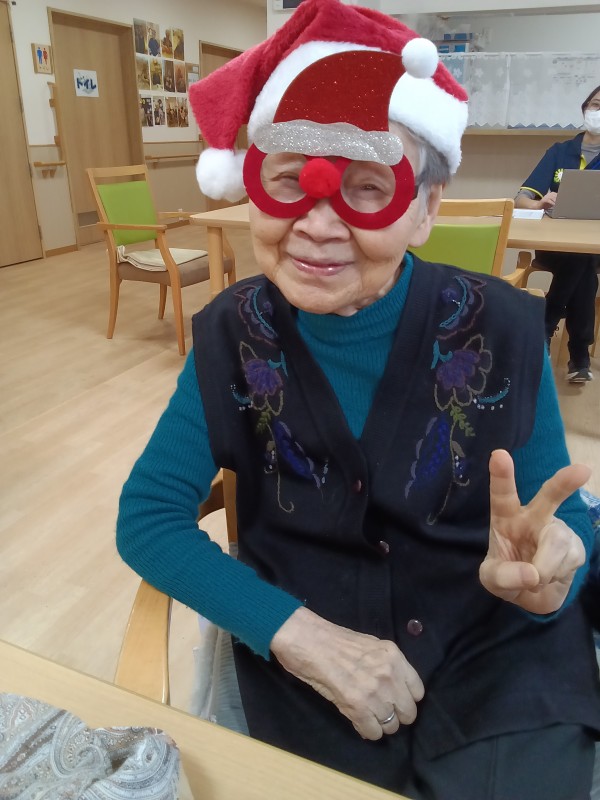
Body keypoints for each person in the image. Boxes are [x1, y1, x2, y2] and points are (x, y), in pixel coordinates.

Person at [117, 2, 600, 798]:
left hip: (497, 659)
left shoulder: (504, 328)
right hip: (310, 675)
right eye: (288, 182)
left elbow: (563, 524)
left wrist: (554, 578)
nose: (317, 226)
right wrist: (296, 635)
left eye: (368, 189)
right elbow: (147, 518)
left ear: (426, 208)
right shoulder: (231, 335)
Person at [515, 85, 600, 384]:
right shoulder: (559, 151)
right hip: (555, 247)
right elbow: (521, 198)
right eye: (596, 104)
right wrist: (538, 203)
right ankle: (579, 354)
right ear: (585, 108)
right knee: (583, 266)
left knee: (584, 259)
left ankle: (546, 322)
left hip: (595, 248)